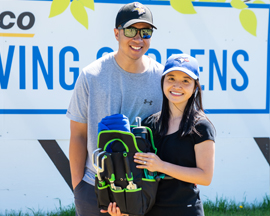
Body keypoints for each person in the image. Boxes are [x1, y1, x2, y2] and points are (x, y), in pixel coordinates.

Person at [66, 2, 164, 216]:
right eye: (130, 30)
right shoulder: (91, 76)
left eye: (145, 32)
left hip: (142, 188)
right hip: (95, 187)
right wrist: (79, 188)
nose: (138, 39)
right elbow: (78, 135)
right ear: (116, 33)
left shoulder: (161, 78)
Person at [105, 54, 215, 216]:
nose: (177, 86)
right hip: (150, 210)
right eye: (171, 78)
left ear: (195, 87)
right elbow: (138, 173)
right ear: (162, 82)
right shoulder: (149, 124)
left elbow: (205, 177)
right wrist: (125, 208)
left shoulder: (201, 126)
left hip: (185, 210)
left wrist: (161, 166)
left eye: (186, 81)